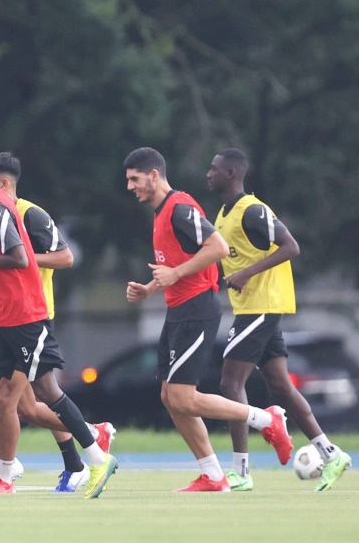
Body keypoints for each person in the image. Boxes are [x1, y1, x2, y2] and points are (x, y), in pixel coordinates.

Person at [0, 137, 117, 500]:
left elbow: (20, 259)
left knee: (45, 392)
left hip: (24, 316)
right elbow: (2, 267)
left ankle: (97, 458)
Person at [123, 147, 293, 492]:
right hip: (179, 310)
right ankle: (213, 474)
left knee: (184, 397)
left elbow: (216, 248)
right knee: (170, 397)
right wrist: (149, 290)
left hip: (197, 311)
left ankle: (265, 418)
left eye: (134, 179)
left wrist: (174, 275)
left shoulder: (179, 208)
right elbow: (174, 271)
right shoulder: (160, 214)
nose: (130, 186)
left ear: (154, 176)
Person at [206, 148, 352, 491]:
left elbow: (291, 246)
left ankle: (240, 472)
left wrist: (246, 274)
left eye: (213, 169)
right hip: (251, 307)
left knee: (230, 383)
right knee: (281, 388)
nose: (208, 174)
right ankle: (332, 455)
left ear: (231, 173)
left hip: (263, 305)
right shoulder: (223, 215)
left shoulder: (252, 210)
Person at [0, 152, 114, 493]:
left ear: (1, 183)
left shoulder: (31, 214)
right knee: (24, 406)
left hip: (32, 317)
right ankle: (88, 442)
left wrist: (20, 260)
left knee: (10, 398)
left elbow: (65, 257)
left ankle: (3, 473)